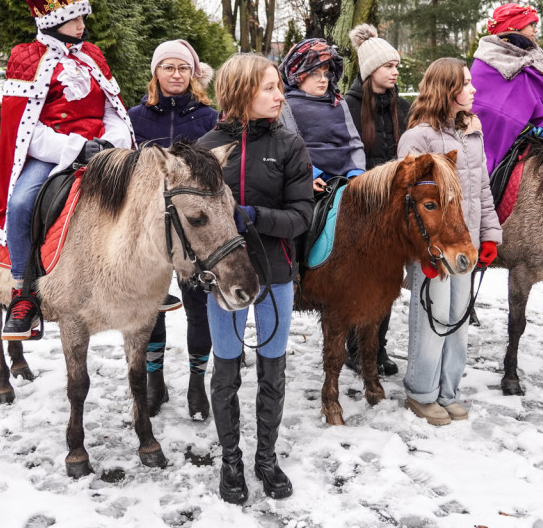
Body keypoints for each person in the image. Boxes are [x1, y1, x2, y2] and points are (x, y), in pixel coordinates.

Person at [0, 0, 135, 340]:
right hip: (52, 152)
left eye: (82, 16)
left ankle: (135, 280)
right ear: (52, 20)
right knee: (20, 204)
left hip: (103, 148)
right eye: (73, 19)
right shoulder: (26, 57)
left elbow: (113, 109)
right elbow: (24, 129)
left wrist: (112, 145)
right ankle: (24, 293)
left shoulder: (92, 54)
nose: (82, 25)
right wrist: (77, 148)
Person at [197, 53, 313, 504]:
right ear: (242, 90)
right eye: (269, 87)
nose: (279, 95)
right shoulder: (206, 147)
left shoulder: (289, 146)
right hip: (223, 282)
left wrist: (255, 217)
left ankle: (266, 457)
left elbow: (302, 216)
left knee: (272, 371)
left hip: (276, 275)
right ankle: (231, 459)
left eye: (279, 86)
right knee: (225, 370)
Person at [397, 58, 502, 426]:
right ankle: (421, 392)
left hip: (465, 243)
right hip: (434, 247)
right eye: (467, 83)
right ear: (448, 89)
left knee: (458, 319)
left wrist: (489, 234)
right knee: (432, 317)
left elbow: (483, 190)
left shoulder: (472, 131)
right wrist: (421, 252)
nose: (474, 90)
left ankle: (448, 391)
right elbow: (408, 202)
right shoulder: (419, 137)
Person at [128, 39, 218, 419]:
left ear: (193, 73)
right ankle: (155, 379)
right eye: (168, 67)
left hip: (189, 232)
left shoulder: (209, 118)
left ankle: (198, 383)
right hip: (147, 232)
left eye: (183, 68)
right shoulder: (135, 117)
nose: (176, 74)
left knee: (198, 308)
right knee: (150, 308)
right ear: (156, 73)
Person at [343, 23, 410, 376]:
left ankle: (378, 347)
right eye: (388, 66)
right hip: (362, 208)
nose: (395, 71)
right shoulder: (350, 107)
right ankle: (356, 347)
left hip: (396, 210)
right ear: (371, 71)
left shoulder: (404, 107)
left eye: (397, 66)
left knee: (387, 283)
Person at [470, 3, 543, 174]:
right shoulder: (484, 64)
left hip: (538, 152)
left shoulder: (535, 61)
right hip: (495, 155)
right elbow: (483, 111)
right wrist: (523, 128)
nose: (536, 30)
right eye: (532, 24)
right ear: (515, 26)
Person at [277, 38, 365, 192]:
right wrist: (310, 175)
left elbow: (354, 143)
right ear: (298, 75)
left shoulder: (338, 103)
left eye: (326, 73)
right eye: (315, 74)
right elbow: (286, 149)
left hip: (347, 183)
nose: (323, 80)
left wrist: (356, 174)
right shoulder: (284, 107)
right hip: (305, 185)